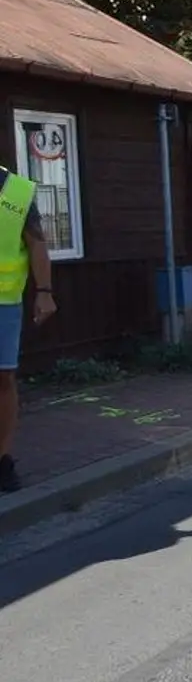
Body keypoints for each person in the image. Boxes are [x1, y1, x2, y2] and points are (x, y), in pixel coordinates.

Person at [0, 165, 57, 492]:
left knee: (4, 379)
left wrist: (44, 292)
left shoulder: (17, 191)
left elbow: (37, 243)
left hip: (4, 305)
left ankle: (3, 460)